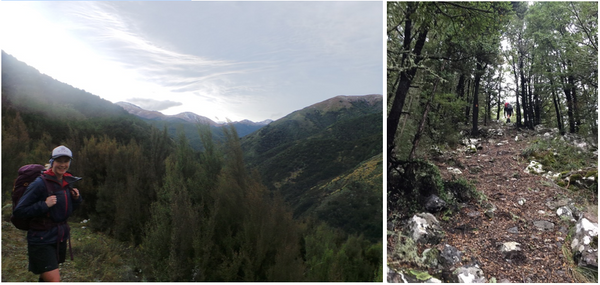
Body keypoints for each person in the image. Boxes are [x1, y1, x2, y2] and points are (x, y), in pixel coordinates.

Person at [13, 145, 83, 282]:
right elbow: (19, 211)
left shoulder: (66, 181)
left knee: (46, 280)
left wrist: (76, 199)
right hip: (41, 238)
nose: (63, 165)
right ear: (52, 162)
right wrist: (44, 205)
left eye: (66, 161)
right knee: (54, 281)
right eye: (59, 161)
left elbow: (64, 211)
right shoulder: (40, 183)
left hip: (58, 237)